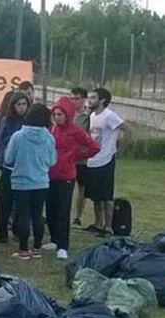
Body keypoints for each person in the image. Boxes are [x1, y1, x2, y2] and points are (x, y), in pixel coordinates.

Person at [45, 96, 100, 260]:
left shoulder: (76, 131)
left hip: (66, 176)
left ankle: (63, 245)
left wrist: (76, 156)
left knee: (63, 210)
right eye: (55, 114)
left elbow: (94, 147)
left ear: (67, 114)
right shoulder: (52, 129)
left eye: (60, 114)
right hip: (51, 174)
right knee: (50, 209)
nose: (57, 117)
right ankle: (54, 239)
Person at [5, 104, 57, 260]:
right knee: (37, 215)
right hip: (41, 181)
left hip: (21, 181)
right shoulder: (49, 137)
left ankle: (23, 249)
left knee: (23, 215)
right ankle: (37, 247)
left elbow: (8, 158)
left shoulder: (18, 136)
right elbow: (52, 160)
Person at [84, 87, 133, 237]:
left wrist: (119, 148)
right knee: (95, 196)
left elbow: (128, 129)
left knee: (106, 196)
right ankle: (98, 223)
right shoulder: (92, 116)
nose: (90, 100)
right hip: (92, 160)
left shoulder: (109, 116)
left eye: (93, 97)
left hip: (106, 159)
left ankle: (108, 226)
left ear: (102, 100)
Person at [0, 91, 30, 243]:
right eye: (18, 104)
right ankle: (2, 230)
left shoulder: (29, 121)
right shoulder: (7, 120)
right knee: (3, 200)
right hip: (8, 165)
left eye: (24, 104)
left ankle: (17, 229)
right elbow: (2, 140)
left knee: (20, 201)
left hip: (23, 166)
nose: (21, 108)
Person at [70, 87, 92, 226]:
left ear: (83, 99)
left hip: (82, 158)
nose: (74, 101)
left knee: (81, 188)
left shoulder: (88, 117)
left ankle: (78, 216)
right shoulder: (67, 115)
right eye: (72, 98)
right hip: (68, 157)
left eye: (76, 98)